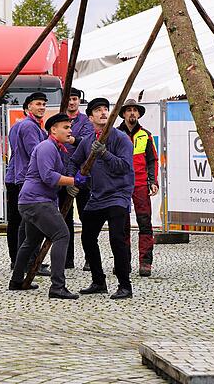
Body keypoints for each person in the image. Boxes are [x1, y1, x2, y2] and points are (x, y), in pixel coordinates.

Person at [9, 113, 88, 300]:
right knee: (61, 234)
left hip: (32, 201)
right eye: (66, 127)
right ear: (53, 130)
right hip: (37, 201)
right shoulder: (46, 147)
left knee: (30, 241)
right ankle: (57, 286)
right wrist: (74, 181)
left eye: (70, 127)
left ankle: (17, 280)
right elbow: (48, 176)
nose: (70, 131)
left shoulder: (56, 148)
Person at [72, 98, 135, 299]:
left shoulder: (121, 138)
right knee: (87, 237)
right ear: (90, 117)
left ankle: (125, 285)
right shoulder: (87, 141)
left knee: (117, 238)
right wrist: (72, 181)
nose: (103, 113)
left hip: (118, 195)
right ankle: (98, 281)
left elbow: (125, 167)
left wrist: (105, 153)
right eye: (98, 110)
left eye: (105, 109)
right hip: (97, 196)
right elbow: (73, 162)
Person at [5, 92, 48, 269]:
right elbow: (36, 154)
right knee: (28, 222)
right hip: (25, 178)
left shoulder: (19, 126)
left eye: (44, 104)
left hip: (15, 177)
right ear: (28, 107)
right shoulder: (30, 127)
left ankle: (17, 260)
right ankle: (28, 261)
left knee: (16, 222)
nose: (42, 107)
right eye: (38, 104)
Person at [117, 99, 158, 276]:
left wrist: (153, 181)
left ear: (139, 114)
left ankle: (145, 263)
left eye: (135, 110)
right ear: (124, 114)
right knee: (121, 225)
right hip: (121, 185)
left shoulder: (146, 135)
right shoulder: (115, 134)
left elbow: (152, 160)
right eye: (129, 110)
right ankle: (122, 262)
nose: (132, 113)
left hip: (141, 184)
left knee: (144, 223)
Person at [59, 87, 93, 269]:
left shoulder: (85, 121)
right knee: (64, 218)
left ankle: (90, 258)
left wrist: (72, 140)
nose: (72, 102)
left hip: (82, 175)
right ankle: (67, 258)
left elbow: (86, 141)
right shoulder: (59, 119)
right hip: (63, 175)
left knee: (87, 217)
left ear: (79, 101)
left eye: (74, 99)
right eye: (69, 99)